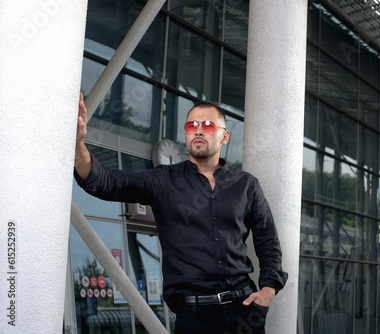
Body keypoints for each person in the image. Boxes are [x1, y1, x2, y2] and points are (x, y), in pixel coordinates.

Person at [74, 93, 288, 333]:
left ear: (225, 136)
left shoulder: (247, 185)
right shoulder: (163, 180)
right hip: (194, 318)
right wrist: (78, 145)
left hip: (244, 312)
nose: (198, 130)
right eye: (191, 125)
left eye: (207, 125)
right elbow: (108, 183)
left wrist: (269, 290)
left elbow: (268, 243)